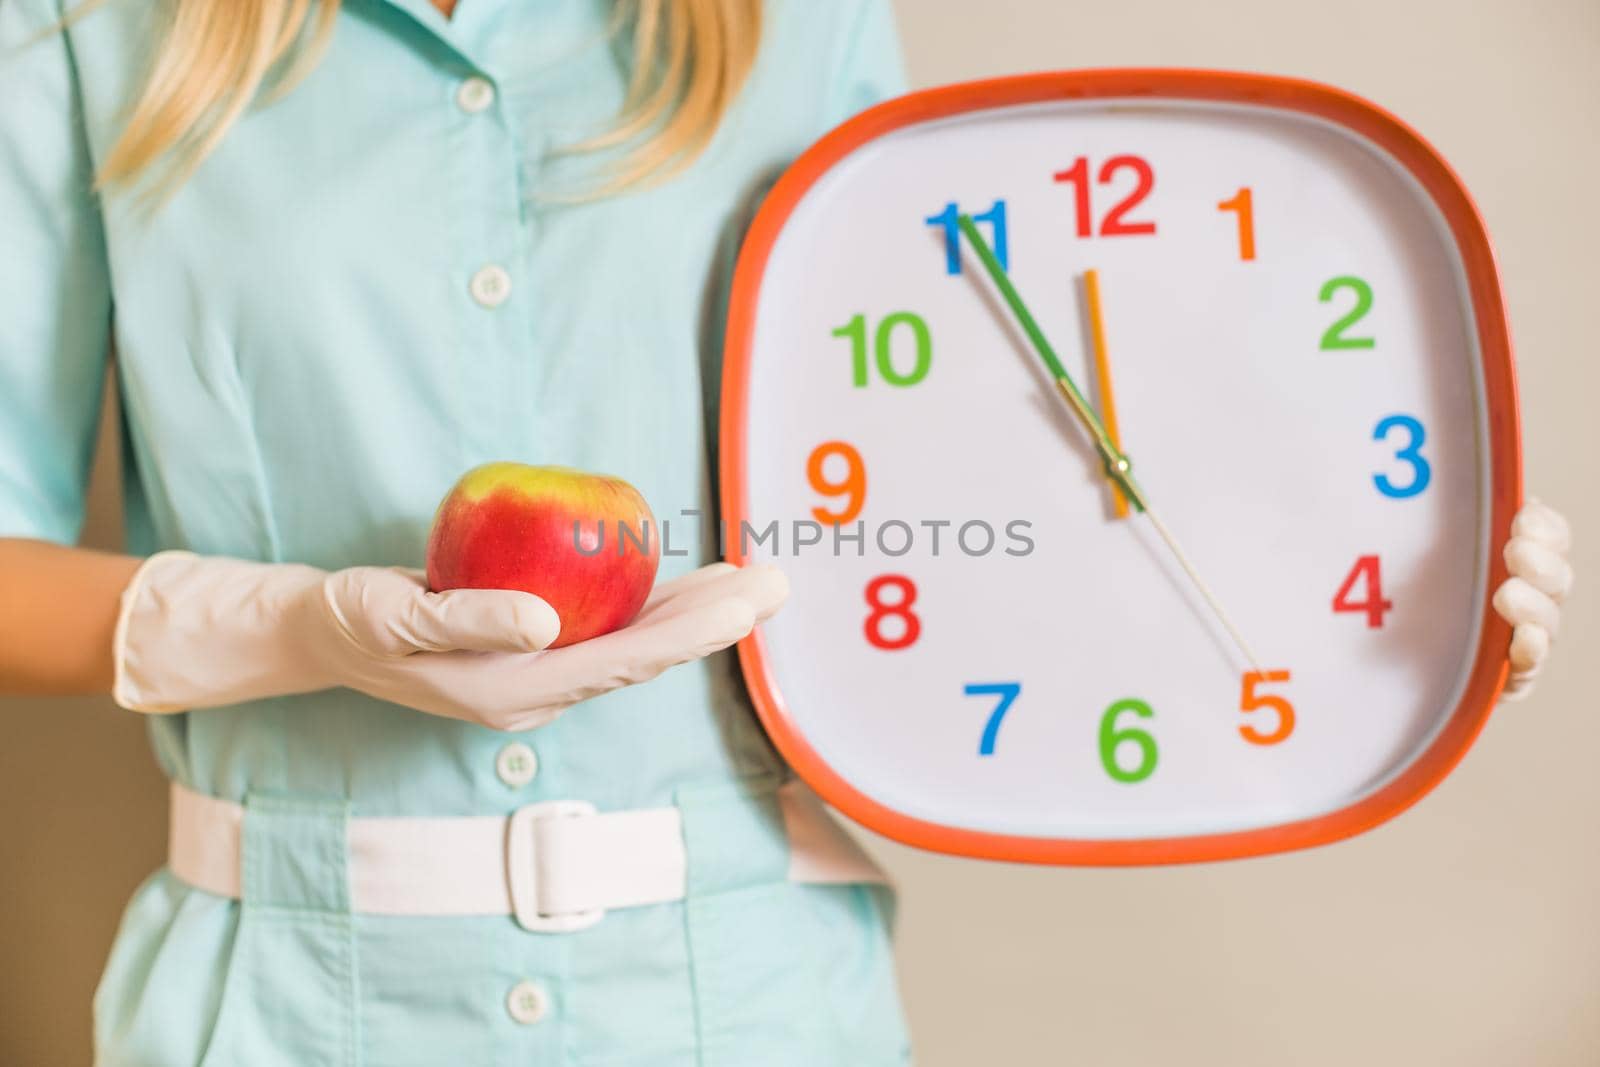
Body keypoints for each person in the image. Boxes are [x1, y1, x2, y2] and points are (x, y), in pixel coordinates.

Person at [0, 1, 1571, 1064]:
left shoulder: (795, 21)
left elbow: (977, 487)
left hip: (743, 1002)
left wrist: (1378, 639)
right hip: (282, 1006)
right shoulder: (92, 28)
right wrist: (291, 629)